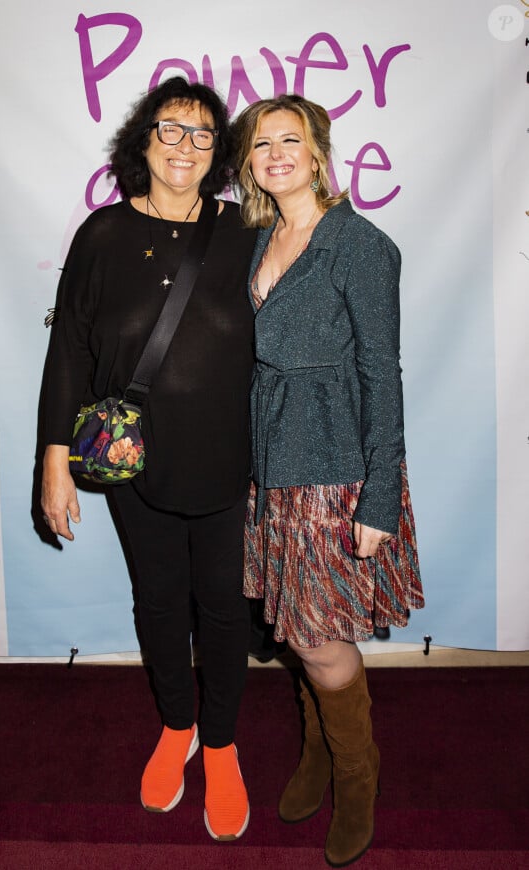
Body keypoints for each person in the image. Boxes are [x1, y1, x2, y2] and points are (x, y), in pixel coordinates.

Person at [40, 76, 257, 842]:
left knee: (225, 611)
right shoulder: (101, 234)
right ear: (144, 141)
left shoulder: (242, 230)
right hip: (134, 467)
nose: (185, 146)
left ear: (218, 153)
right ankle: (177, 727)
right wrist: (54, 460)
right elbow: (68, 349)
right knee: (160, 603)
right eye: (170, 129)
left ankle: (223, 744)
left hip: (232, 464)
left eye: (202, 134)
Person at [233, 94, 424, 867]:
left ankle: (358, 777)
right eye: (261, 144)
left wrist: (381, 492)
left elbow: (383, 373)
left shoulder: (359, 244)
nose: (276, 153)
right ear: (248, 162)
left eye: (292, 140)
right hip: (272, 463)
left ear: (318, 152)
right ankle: (317, 755)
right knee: (298, 632)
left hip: (336, 469)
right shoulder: (260, 238)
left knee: (319, 639)